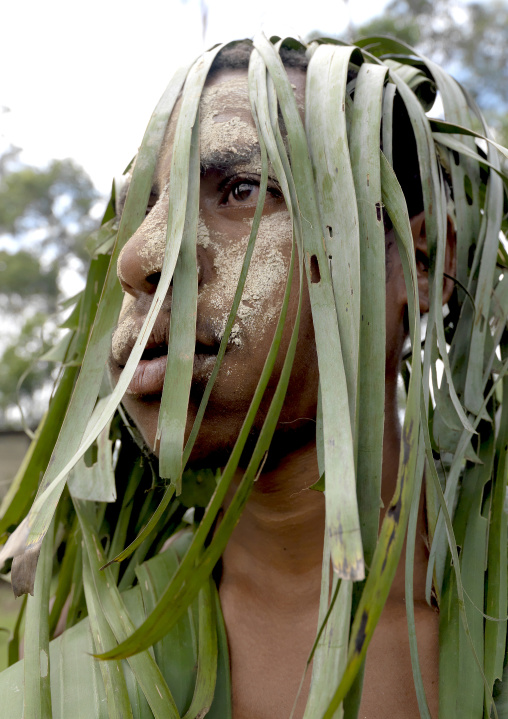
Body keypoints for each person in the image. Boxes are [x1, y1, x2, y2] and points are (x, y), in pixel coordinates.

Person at [0, 36, 506, 719]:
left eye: (240, 189)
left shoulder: (488, 650)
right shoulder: (63, 687)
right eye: (140, 211)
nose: (141, 256)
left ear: (419, 262)